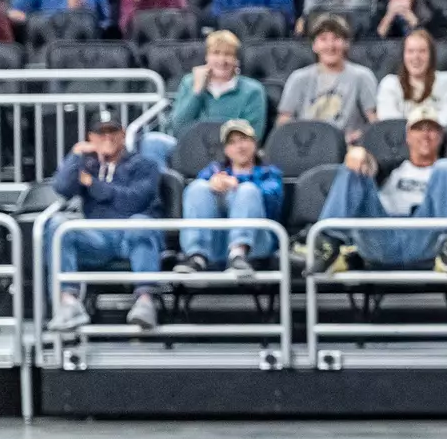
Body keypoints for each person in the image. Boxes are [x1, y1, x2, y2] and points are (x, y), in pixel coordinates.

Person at [311, 103, 447, 275]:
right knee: (354, 167)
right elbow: (369, 166)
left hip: (427, 239)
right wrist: (357, 153)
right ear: (408, 136)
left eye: (431, 129)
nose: (425, 135)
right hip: (381, 237)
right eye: (419, 129)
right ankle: (329, 243)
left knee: (445, 166)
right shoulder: (392, 167)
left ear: (441, 136)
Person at [48, 109, 165, 331]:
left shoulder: (144, 165)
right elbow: (61, 188)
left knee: (140, 224)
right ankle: (68, 303)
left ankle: (145, 302)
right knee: (58, 227)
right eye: (100, 133)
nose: (107, 138)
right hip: (98, 240)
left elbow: (132, 203)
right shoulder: (87, 164)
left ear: (122, 134)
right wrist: (75, 155)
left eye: (112, 131)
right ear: (90, 138)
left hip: (131, 239)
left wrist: (93, 185)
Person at [141, 28, 267, 166]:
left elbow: (254, 134)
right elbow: (177, 127)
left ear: (236, 60)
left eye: (228, 54)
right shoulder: (189, 82)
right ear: (207, 57)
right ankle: (167, 186)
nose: (222, 60)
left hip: (231, 152)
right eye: (216, 53)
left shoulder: (253, 90)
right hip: (189, 149)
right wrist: (197, 91)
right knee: (152, 141)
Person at [175, 118, 282, 275]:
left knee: (247, 191)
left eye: (244, 139)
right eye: (232, 142)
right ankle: (196, 256)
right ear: (226, 149)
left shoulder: (269, 174)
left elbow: (272, 201)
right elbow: (194, 200)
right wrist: (214, 184)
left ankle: (238, 253)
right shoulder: (212, 172)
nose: (239, 146)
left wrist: (236, 184)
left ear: (255, 143)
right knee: (198, 187)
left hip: (257, 242)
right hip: (216, 241)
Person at [278, 13, 378, 142]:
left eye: (336, 38)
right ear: (314, 45)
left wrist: (356, 136)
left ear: (346, 44)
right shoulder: (298, 78)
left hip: (348, 146)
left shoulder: (362, 76)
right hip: (307, 145)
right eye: (323, 39)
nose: (330, 46)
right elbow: (284, 121)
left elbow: (374, 121)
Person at [377, 29, 447, 126]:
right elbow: (390, 122)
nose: (416, 57)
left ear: (431, 56)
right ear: (403, 56)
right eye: (410, 51)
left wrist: (424, 131)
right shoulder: (389, 84)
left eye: (422, 51)